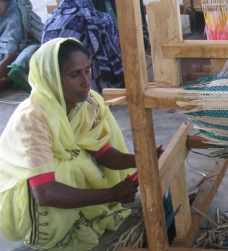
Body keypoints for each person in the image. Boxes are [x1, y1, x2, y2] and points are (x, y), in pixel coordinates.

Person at [0, 38, 144, 250]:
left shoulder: (88, 104)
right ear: (52, 79)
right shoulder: (33, 118)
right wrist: (112, 194)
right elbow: (45, 193)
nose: (86, 82)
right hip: (30, 189)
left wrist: (143, 159)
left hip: (55, 179)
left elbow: (102, 152)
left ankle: (82, 211)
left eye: (87, 70)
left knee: (78, 158)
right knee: (63, 168)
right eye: (74, 75)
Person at [42, 0, 124, 93]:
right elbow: (113, 48)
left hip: (53, 76)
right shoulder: (96, 18)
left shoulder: (50, 21)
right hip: (83, 73)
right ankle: (98, 87)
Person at [0, 0, 43, 92]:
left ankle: (10, 79)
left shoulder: (19, 13)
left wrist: (2, 69)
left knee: (29, 54)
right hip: (7, 51)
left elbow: (12, 52)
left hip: (26, 49)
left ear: (6, 0)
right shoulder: (3, 14)